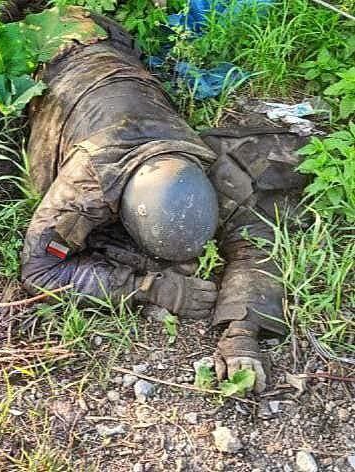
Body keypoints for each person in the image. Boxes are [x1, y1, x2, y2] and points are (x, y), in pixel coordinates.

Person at [20, 9, 307, 392]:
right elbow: (40, 271)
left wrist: (242, 331)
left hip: (115, 44)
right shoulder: (87, 184)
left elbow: (255, 244)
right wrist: (152, 289)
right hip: (48, 51)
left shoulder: (215, 170)